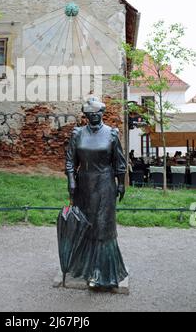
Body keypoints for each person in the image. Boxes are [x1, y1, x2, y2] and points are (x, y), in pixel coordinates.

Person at [65, 96, 128, 289]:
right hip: (84, 185)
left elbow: (120, 162)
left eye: (97, 113)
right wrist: (71, 181)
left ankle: (103, 273)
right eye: (90, 113)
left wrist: (121, 183)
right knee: (85, 225)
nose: (94, 116)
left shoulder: (111, 134)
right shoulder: (77, 134)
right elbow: (70, 162)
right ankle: (83, 266)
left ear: (102, 113)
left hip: (105, 185)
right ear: (86, 115)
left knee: (103, 227)